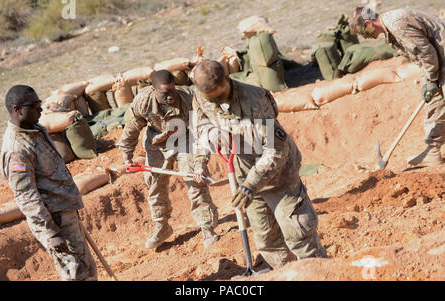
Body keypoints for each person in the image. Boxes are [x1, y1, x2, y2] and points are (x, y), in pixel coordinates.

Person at [190, 60, 327, 269]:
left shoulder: (255, 100)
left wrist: (251, 183)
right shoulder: (201, 96)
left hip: (278, 174)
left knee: (297, 232)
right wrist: (212, 134)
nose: (216, 102)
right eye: (212, 99)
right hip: (244, 173)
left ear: (228, 79)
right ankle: (284, 273)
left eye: (220, 95)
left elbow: (277, 150)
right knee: (267, 239)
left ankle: (319, 272)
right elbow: (200, 122)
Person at [0, 85, 97, 281]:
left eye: (40, 104)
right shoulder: (17, 149)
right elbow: (27, 197)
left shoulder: (36, 129)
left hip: (66, 211)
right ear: (17, 110)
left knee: (87, 268)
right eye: (35, 106)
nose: (41, 110)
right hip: (54, 221)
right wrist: (50, 234)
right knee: (75, 274)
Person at [116, 70, 219, 249]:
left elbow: (202, 131)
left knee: (196, 182)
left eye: (172, 91)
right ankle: (162, 226)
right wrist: (127, 156)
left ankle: (208, 228)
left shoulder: (188, 98)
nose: (171, 96)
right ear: (153, 90)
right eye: (165, 93)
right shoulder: (142, 100)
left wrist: (200, 164)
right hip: (157, 142)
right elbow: (132, 129)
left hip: (186, 138)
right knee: (155, 186)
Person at [349, 6, 444, 166]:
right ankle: (433, 151)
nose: (364, 37)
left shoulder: (397, 24)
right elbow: (421, 56)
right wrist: (427, 81)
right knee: (433, 104)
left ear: (369, 24)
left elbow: (427, 53)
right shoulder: (391, 27)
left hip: (440, 58)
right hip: (439, 61)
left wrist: (432, 79)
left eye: (362, 32)